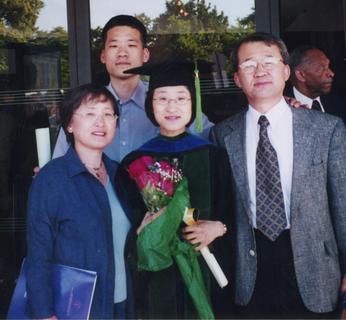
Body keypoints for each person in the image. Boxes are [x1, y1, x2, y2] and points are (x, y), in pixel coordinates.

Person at [209, 32, 346, 319]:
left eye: (269, 61)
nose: (259, 71)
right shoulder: (223, 134)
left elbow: (345, 204)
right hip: (249, 270)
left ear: (286, 71)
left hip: (316, 270)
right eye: (248, 65)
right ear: (236, 79)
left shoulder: (326, 129)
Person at [115, 60, 234, 319]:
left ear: (193, 104)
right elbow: (129, 223)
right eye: (162, 98)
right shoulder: (135, 163)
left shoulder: (215, 156)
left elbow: (234, 211)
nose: (172, 106)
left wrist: (218, 227)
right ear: (150, 105)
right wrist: (145, 229)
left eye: (181, 98)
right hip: (158, 274)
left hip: (208, 269)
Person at [26, 84, 133, 319]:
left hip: (122, 303)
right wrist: (44, 314)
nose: (100, 122)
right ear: (70, 124)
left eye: (108, 114)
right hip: (76, 308)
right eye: (89, 113)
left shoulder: (120, 175)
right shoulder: (51, 179)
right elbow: (38, 253)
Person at [52, 15, 213, 162]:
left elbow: (211, 139)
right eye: (114, 46)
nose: (122, 53)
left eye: (131, 45)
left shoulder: (166, 102)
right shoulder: (83, 107)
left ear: (145, 55)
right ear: (103, 56)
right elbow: (59, 164)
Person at [286, 45, 346, 123]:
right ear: (301, 75)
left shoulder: (340, 105)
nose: (331, 73)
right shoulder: (284, 108)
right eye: (321, 69)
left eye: (328, 66)